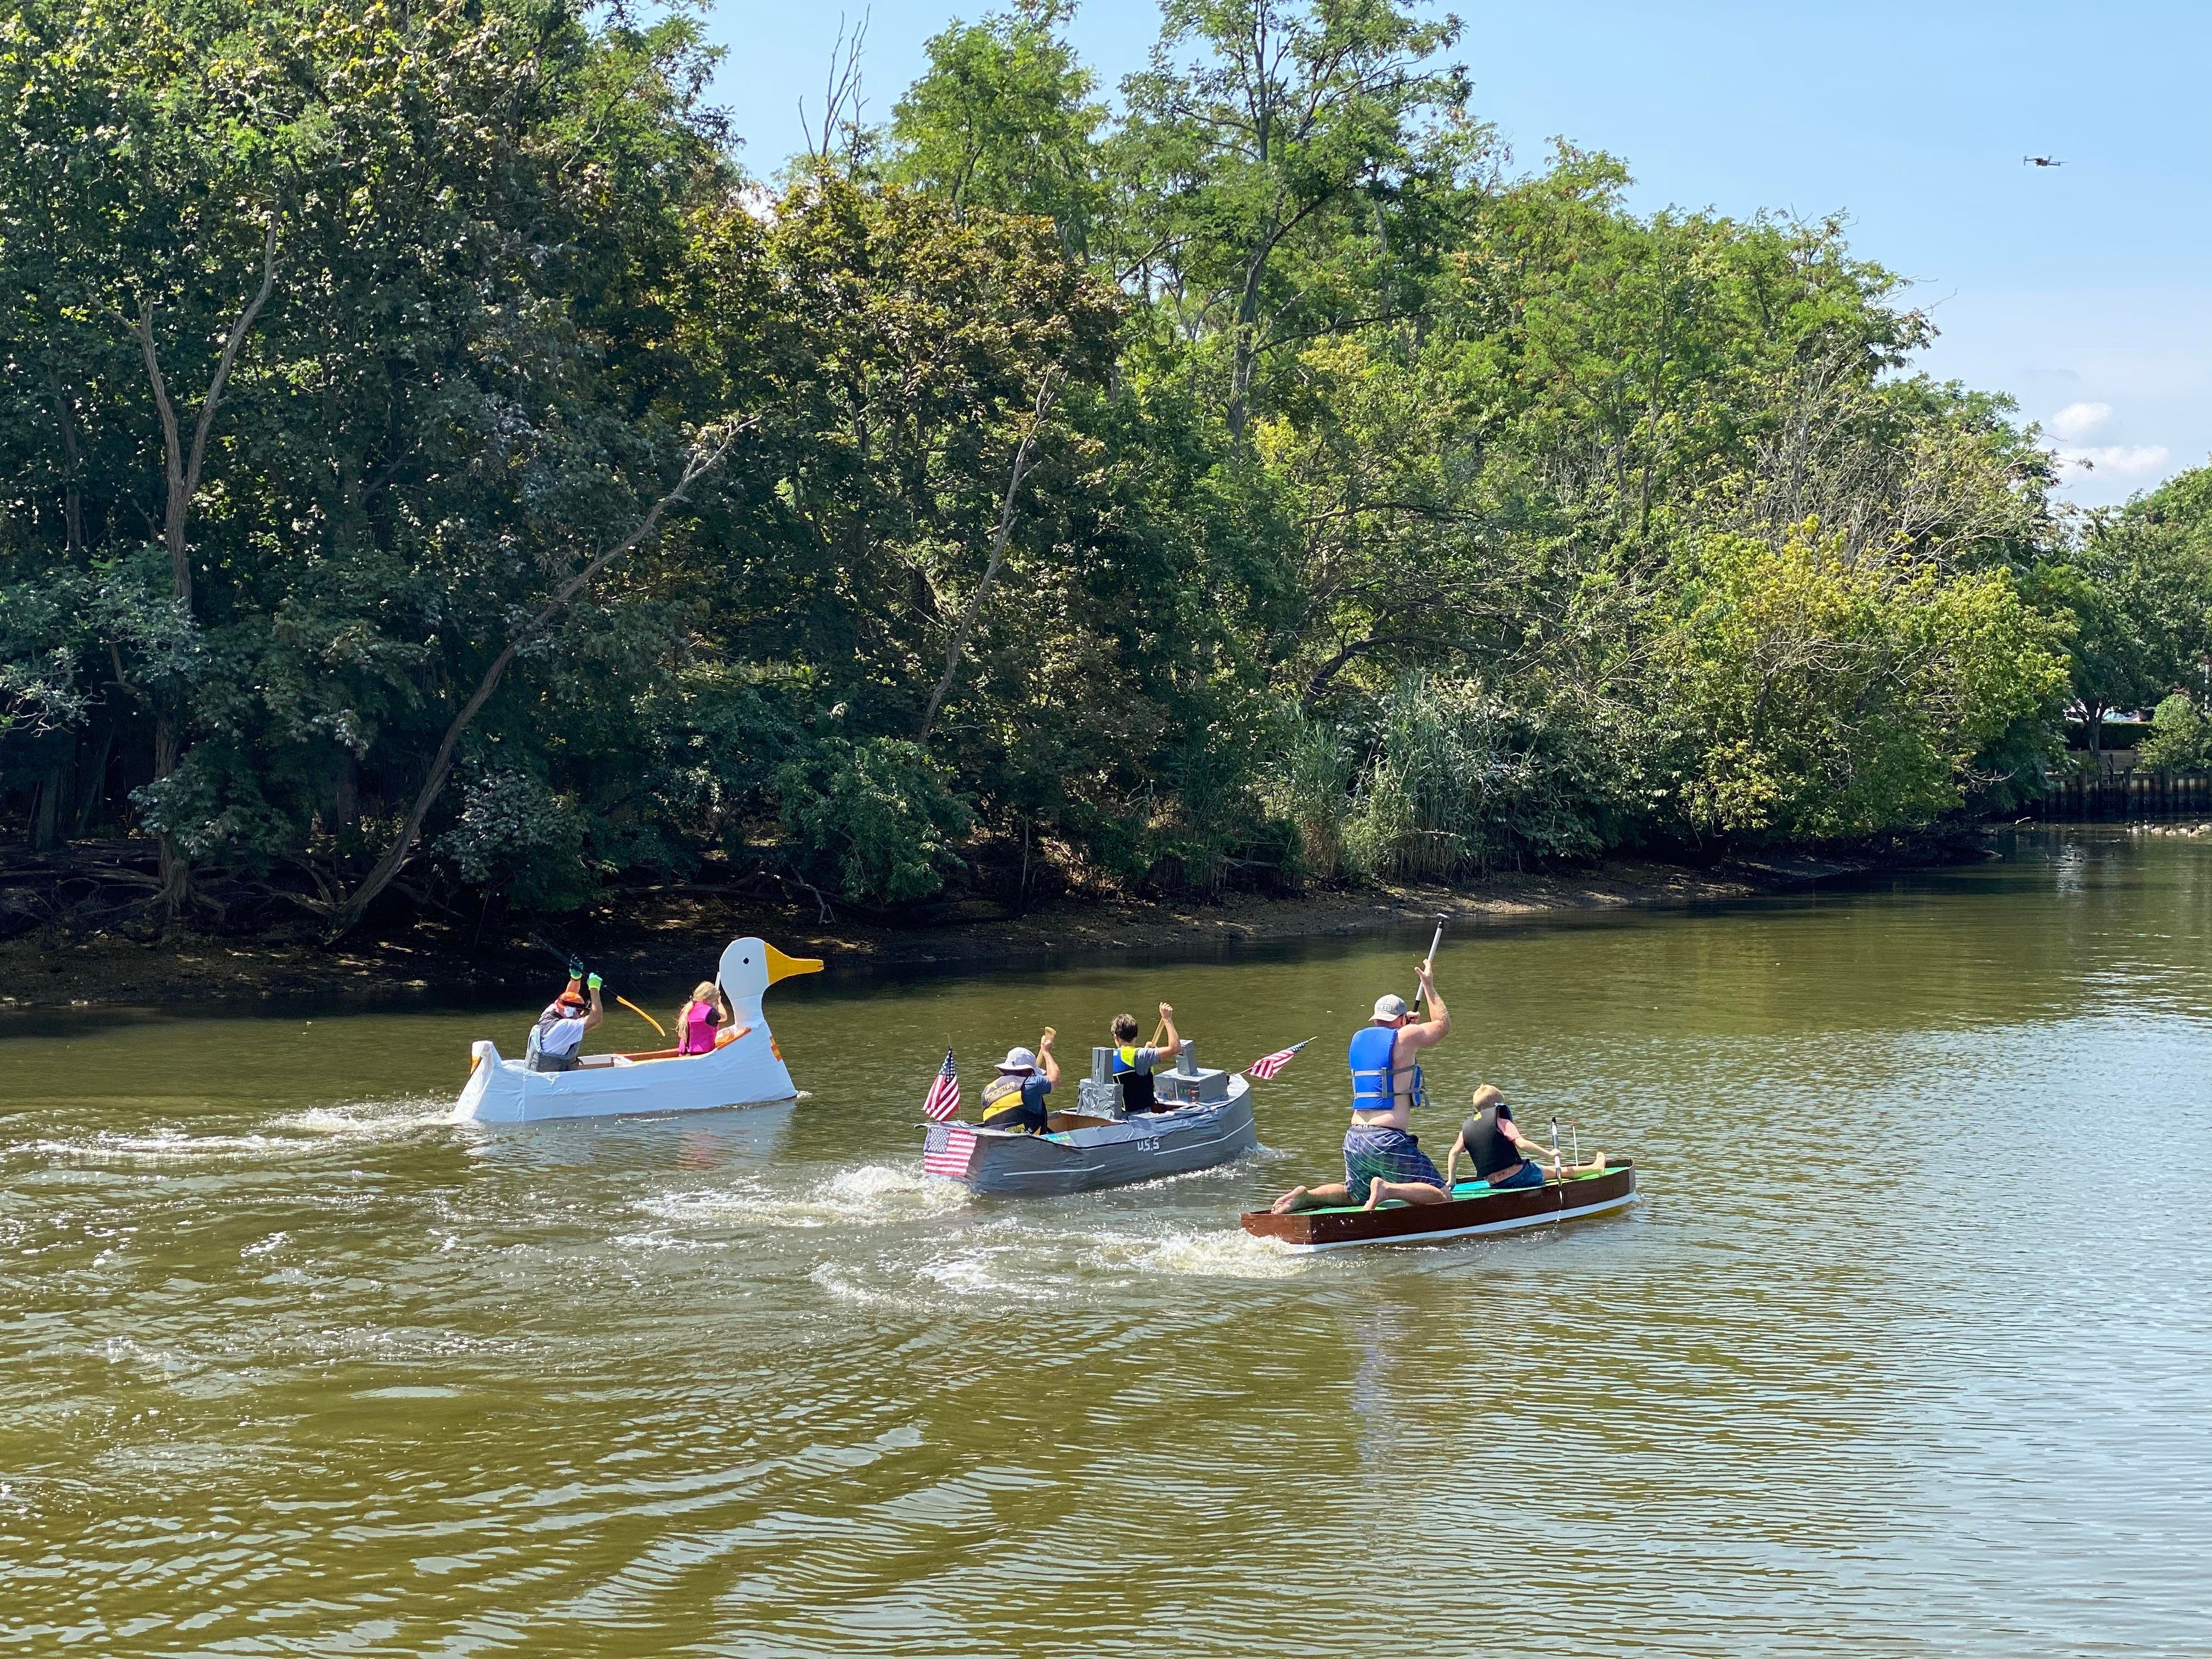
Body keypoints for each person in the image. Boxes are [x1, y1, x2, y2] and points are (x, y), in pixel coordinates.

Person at [1269, 960, 1452, 1214]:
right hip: (1386, 1139)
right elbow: (1442, 1025)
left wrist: (1405, 1027)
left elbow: (1390, 1048)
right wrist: (1428, 985)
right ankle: (1388, 1189)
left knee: (1354, 1195)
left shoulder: (1358, 1039)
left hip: (1355, 1137)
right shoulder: (1406, 1036)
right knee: (1442, 1196)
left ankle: (1308, 1196)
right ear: (1401, 1019)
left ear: (1376, 1019)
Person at [1443, 1084, 1606, 1190]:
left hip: (1494, 1182)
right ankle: (1596, 1168)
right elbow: (1522, 1144)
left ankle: (1593, 1168)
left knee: (1541, 1169)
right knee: (1555, 1170)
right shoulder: (1502, 1122)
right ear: (1498, 1106)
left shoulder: (1465, 1131)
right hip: (1518, 1176)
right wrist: (1550, 1154)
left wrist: (1452, 1180)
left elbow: (1453, 1153)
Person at [979, 1028, 1060, 1134]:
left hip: (996, 1140)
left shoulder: (987, 1090)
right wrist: (1046, 1051)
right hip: (1028, 1140)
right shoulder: (1031, 1083)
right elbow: (1055, 1079)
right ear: (1028, 1070)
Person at [1107, 1003, 1182, 1114]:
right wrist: (1167, 1019)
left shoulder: (1108, 1057)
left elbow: (1130, 1060)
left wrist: (1146, 1052)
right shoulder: (1141, 1056)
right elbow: (1175, 1048)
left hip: (1122, 1115)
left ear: (1116, 1037)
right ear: (1136, 1035)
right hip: (1143, 1115)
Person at [526, 972, 603, 1073]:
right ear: (568, 1009)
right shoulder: (563, 1027)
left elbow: (569, 996)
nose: (580, 1016)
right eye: (579, 1012)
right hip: (551, 1080)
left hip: (536, 1074)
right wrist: (594, 989)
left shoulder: (550, 1012)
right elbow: (596, 1018)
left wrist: (576, 978)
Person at [675, 980, 737, 1056]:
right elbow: (724, 1017)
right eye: (716, 1000)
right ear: (706, 1000)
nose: (717, 1003)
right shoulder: (710, 1012)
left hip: (684, 1054)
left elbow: (680, 1034)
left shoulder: (686, 1010)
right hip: (702, 1054)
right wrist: (720, 1003)